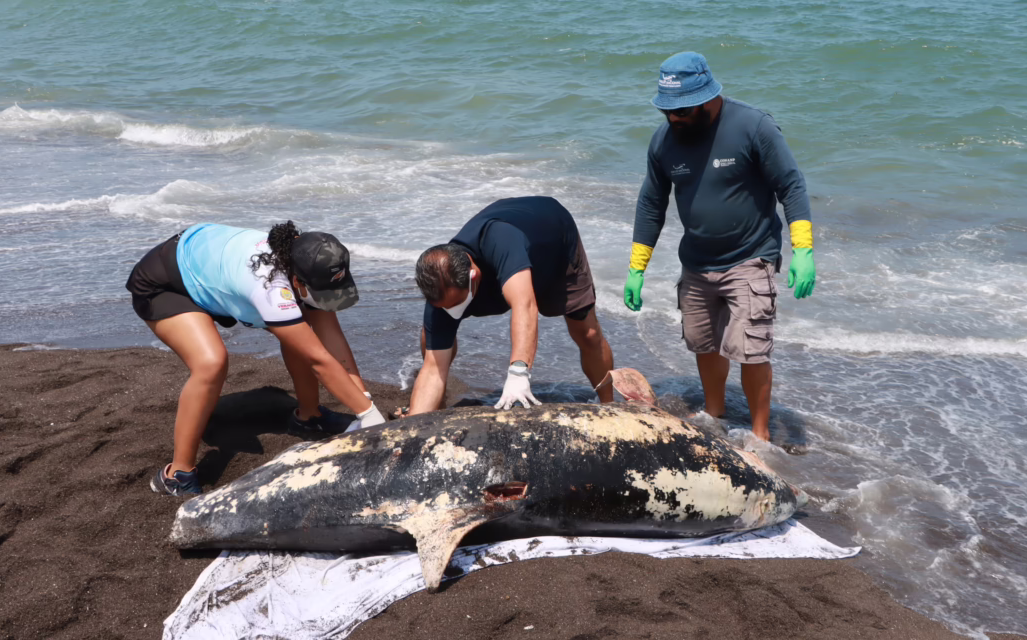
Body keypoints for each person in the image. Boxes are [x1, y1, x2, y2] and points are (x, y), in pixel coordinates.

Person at [624, 52, 817, 443]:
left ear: (707, 98)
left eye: (682, 110)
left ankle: (761, 437)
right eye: (667, 110)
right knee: (704, 343)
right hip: (696, 263)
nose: (673, 118)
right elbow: (651, 204)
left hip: (750, 257)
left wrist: (803, 250)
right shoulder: (663, 141)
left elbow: (791, 186)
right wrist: (636, 268)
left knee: (751, 350)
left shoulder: (753, 126)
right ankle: (715, 414)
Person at [126, 221, 386, 496]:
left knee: (302, 335)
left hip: (213, 268)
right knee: (211, 363)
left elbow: (332, 343)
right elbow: (318, 360)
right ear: (297, 281)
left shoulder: (308, 262)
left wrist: (365, 403)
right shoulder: (269, 285)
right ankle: (178, 474)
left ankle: (309, 416)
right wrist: (369, 415)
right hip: (167, 282)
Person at [408, 196, 614, 414]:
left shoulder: (501, 241)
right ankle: (437, 409)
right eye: (445, 307)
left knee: (587, 333)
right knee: (433, 335)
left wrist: (518, 372)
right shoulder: (441, 284)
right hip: (513, 255)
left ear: (474, 276)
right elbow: (432, 370)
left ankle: (609, 406)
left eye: (457, 304)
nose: (451, 311)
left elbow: (525, 306)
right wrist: (414, 423)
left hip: (554, 243)